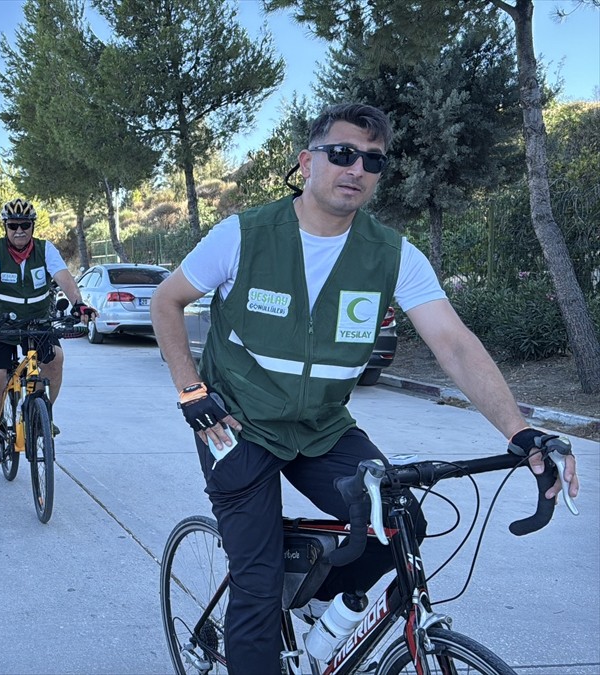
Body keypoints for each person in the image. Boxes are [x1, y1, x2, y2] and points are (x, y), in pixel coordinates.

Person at [149, 102, 580, 674]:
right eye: (342, 153)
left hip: (323, 428)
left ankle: (322, 601)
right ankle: (269, 593)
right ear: (307, 162)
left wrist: (519, 431)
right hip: (236, 424)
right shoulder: (245, 235)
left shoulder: (391, 254)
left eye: (372, 160)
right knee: (257, 584)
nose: (357, 168)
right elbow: (167, 301)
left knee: (402, 524)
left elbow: (454, 344)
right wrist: (191, 391)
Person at [0, 197, 96, 464]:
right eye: (13, 225)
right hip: (1, 323)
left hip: (38, 321)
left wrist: (79, 304)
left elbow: (64, 277)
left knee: (55, 360)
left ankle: (42, 412)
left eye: (25, 225)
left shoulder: (45, 250)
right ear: (5, 226)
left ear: (32, 226)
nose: (19, 230)